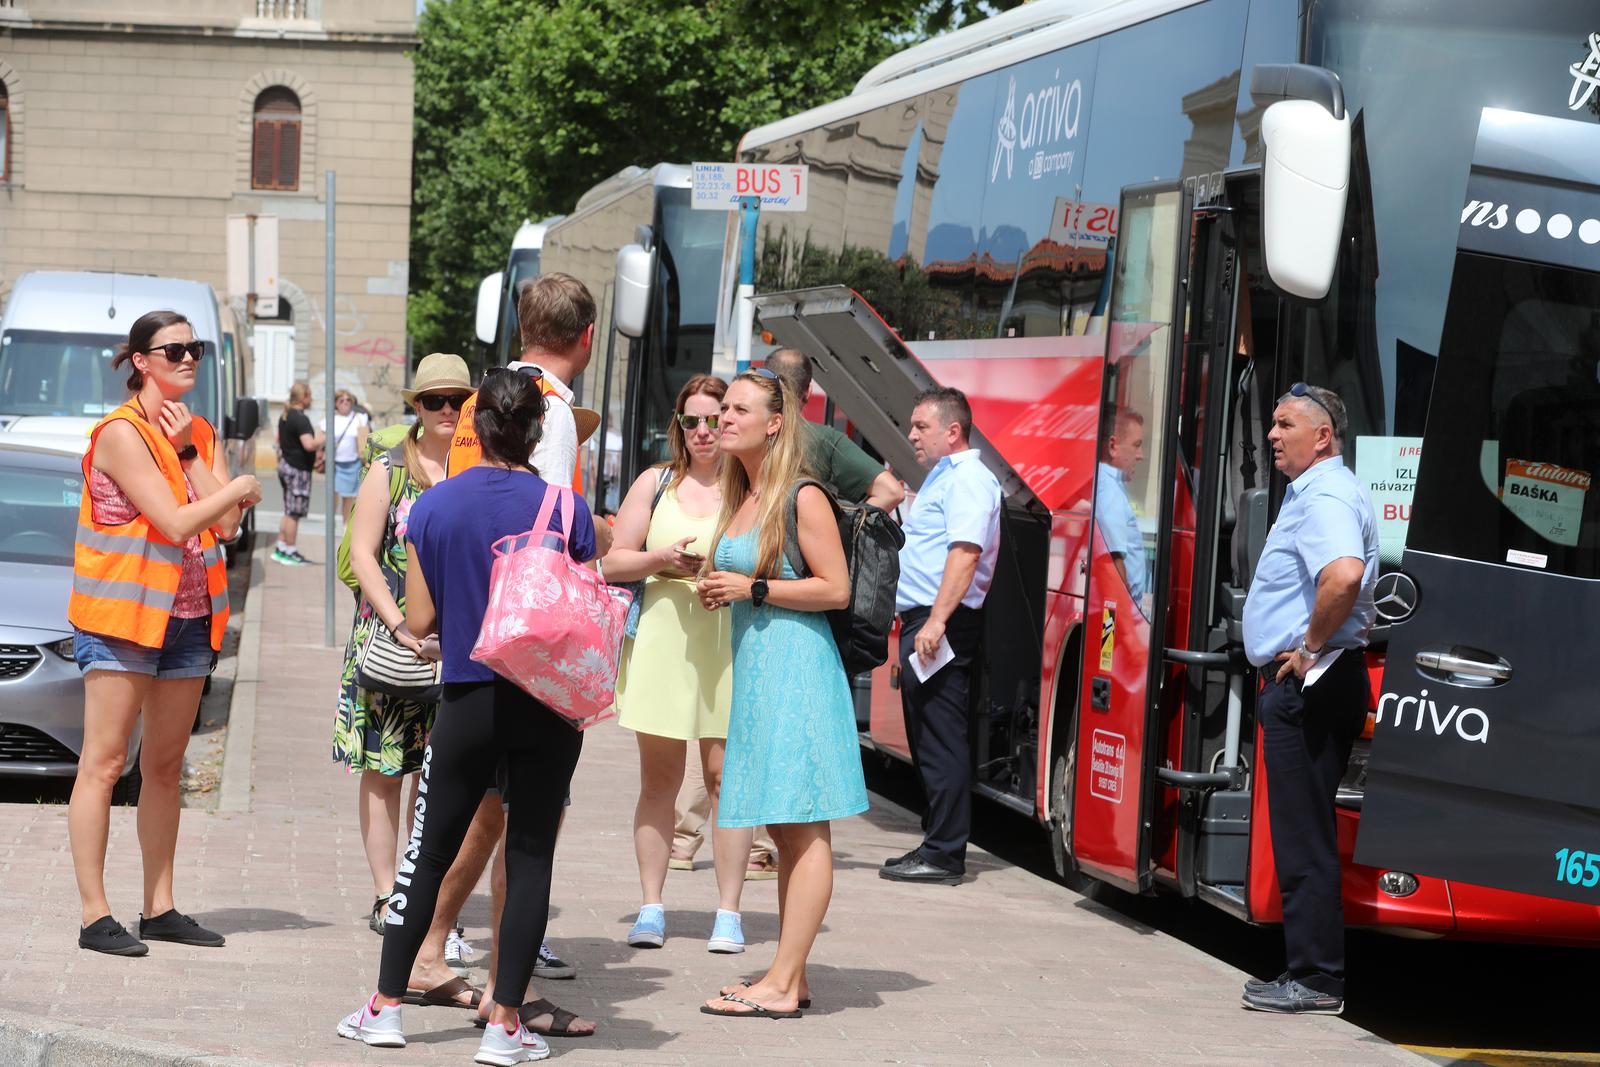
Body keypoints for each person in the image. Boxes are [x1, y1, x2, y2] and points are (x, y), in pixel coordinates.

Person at [337, 369, 598, 1061]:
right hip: (546, 701)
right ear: (538, 431)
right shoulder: (569, 510)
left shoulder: (433, 508)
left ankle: (385, 1008)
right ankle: (504, 1025)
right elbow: (576, 605)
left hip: (468, 695)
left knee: (426, 856)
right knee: (532, 853)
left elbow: (420, 616)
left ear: (476, 428)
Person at [67, 309, 262, 956]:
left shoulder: (194, 429)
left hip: (185, 619)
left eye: (195, 348)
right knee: (103, 763)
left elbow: (228, 526)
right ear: (141, 361)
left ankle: (160, 906)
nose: (188, 358)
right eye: (173, 349)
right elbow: (180, 521)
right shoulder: (121, 432)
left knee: (165, 765)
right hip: (123, 621)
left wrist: (195, 457)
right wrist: (233, 485)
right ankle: (95, 914)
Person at [695, 367, 868, 1018]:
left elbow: (836, 588)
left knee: (802, 826)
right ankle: (787, 977)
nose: (722, 419)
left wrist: (753, 589)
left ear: (775, 421)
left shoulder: (800, 494)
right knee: (784, 825)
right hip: (761, 671)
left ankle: (784, 979)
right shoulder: (743, 492)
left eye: (738, 409)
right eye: (720, 411)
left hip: (797, 670)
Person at [1239, 383, 1377, 1016]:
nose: (1272, 433)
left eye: (1285, 423)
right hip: (1313, 679)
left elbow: (1342, 575)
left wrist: (1308, 648)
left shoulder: (1325, 495)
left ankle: (1316, 978)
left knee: (1303, 835)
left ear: (1322, 436)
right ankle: (1311, 972)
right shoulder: (1319, 492)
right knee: (1303, 830)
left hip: (1311, 683)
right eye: (1272, 423)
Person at [603, 374, 754, 953]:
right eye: (691, 421)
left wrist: (728, 575)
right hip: (664, 642)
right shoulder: (656, 481)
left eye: (713, 419)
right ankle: (651, 906)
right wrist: (660, 558)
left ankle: (729, 913)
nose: (702, 431)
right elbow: (612, 562)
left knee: (725, 781)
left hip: (726, 642)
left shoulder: (750, 489)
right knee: (659, 782)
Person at [332, 355, 458, 936]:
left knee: (434, 776)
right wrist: (402, 628)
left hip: (455, 647)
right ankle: (388, 894)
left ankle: (419, 888)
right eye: (436, 400)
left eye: (459, 399)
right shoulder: (390, 468)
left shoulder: (472, 468)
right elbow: (363, 554)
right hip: (390, 642)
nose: (449, 411)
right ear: (417, 406)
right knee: (386, 771)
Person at [881, 387, 1001, 886]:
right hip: (926, 618)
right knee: (927, 734)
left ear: (953, 431)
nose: (912, 434)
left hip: (941, 620)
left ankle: (946, 852)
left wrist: (936, 622)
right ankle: (936, 841)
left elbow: (965, 553)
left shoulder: (970, 478)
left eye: (920, 426)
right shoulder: (945, 477)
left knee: (941, 736)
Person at [762, 347, 905, 511]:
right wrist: (836, 530)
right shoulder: (825, 439)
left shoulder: (740, 430)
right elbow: (892, 492)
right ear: (808, 392)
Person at [1095, 408, 1149, 619]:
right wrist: (1125, 630)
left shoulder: (1110, 486)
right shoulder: (1109, 491)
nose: (1141, 455)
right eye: (1136, 445)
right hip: (1117, 617)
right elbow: (1113, 567)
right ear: (1112, 446)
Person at [275, 380, 324, 565]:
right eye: (310, 395)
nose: (311, 399)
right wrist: (324, 436)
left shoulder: (286, 415)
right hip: (297, 469)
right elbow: (309, 444)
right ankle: (290, 550)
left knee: (288, 510)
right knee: (294, 512)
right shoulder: (300, 418)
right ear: (303, 397)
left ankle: (281, 546)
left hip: (288, 465)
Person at [331, 389, 370, 528]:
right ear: (336, 403)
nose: (345, 403)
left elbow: (367, 437)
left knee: (348, 496)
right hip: (334, 463)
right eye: (341, 400)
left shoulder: (359, 418)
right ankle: (331, 523)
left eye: (348, 400)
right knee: (332, 495)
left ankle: (345, 524)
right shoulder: (330, 419)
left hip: (353, 462)